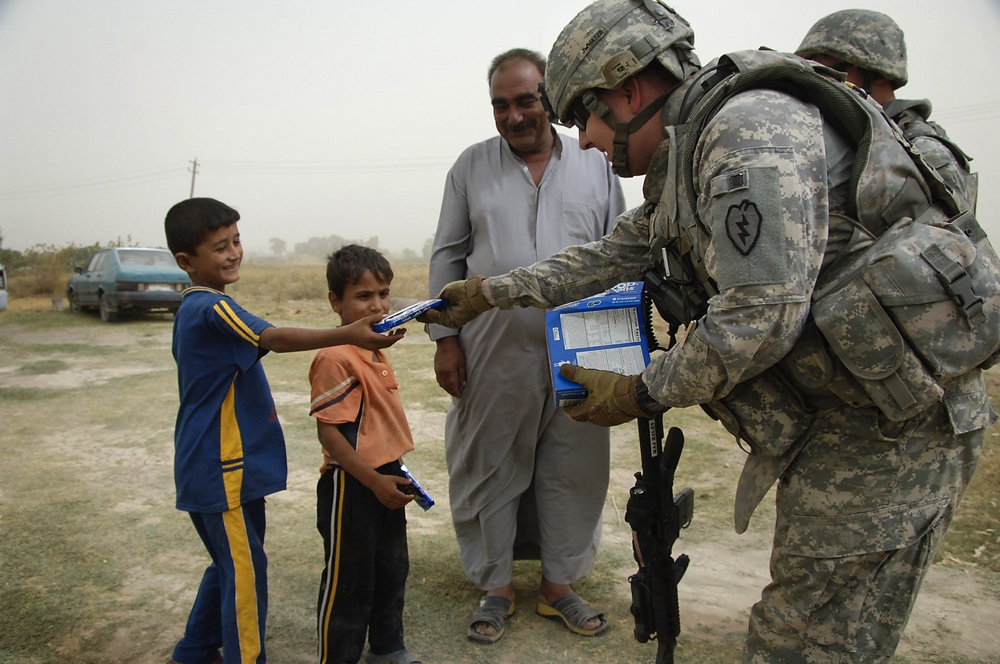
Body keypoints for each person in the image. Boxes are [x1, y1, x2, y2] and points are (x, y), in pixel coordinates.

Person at [419, 1, 993, 662]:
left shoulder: (744, 133)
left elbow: (759, 316)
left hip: (894, 438)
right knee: (801, 626)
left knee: (803, 641)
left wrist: (639, 392)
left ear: (628, 91)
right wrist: (487, 294)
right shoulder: (693, 153)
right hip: (847, 422)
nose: (584, 142)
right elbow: (610, 254)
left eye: (585, 118)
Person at [427, 47, 626, 643]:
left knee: (576, 466)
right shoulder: (471, 167)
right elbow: (447, 255)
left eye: (525, 100)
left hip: (582, 348)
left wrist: (619, 353)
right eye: (501, 104)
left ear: (550, 99)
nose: (514, 115)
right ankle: (495, 587)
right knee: (490, 462)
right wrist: (445, 338)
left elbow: (622, 253)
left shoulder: (596, 163)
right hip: (494, 347)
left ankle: (559, 586)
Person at [164, 198, 402, 664]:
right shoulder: (211, 307)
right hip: (220, 467)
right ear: (186, 262)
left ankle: (193, 651)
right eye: (219, 247)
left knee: (230, 562)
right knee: (246, 571)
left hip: (222, 465)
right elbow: (272, 338)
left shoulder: (202, 309)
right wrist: (349, 333)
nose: (233, 252)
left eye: (235, 241)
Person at [309, 244, 422, 664]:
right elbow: (331, 434)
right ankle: (338, 656)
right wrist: (373, 481)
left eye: (383, 293)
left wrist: (389, 474)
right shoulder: (334, 356)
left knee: (392, 568)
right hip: (352, 483)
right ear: (335, 302)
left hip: (388, 476)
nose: (376, 305)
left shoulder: (375, 349)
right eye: (363, 296)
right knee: (349, 579)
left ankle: (389, 646)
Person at [795, 8, 977, 211]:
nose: (817, 79)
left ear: (878, 75)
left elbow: (952, 236)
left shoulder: (924, 151)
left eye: (828, 70)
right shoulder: (847, 136)